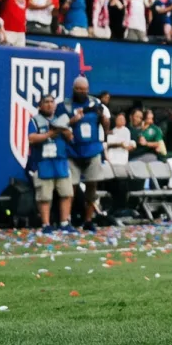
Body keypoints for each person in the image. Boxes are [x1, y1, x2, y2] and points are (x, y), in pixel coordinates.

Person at [66, 76, 109, 231]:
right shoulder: (66, 105)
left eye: (84, 89)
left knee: (92, 185)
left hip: (92, 149)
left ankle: (88, 220)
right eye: (78, 89)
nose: (81, 92)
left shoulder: (95, 103)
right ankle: (67, 219)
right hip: (73, 151)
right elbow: (58, 125)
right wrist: (72, 120)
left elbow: (105, 125)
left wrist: (103, 119)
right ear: (73, 88)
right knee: (70, 188)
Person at [26, 92, 73, 231]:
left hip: (61, 162)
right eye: (46, 102)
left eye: (52, 102)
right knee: (44, 196)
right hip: (43, 163)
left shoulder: (62, 119)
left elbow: (71, 137)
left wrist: (63, 130)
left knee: (66, 193)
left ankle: (64, 223)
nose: (49, 104)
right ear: (40, 105)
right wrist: (48, 135)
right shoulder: (35, 120)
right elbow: (31, 138)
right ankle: (46, 224)